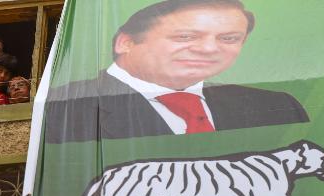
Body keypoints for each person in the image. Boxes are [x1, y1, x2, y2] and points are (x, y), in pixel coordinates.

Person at [45, 0, 309, 143]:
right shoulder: (63, 109)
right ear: (126, 42)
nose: (208, 49)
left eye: (228, 38)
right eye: (185, 36)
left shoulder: (276, 107)